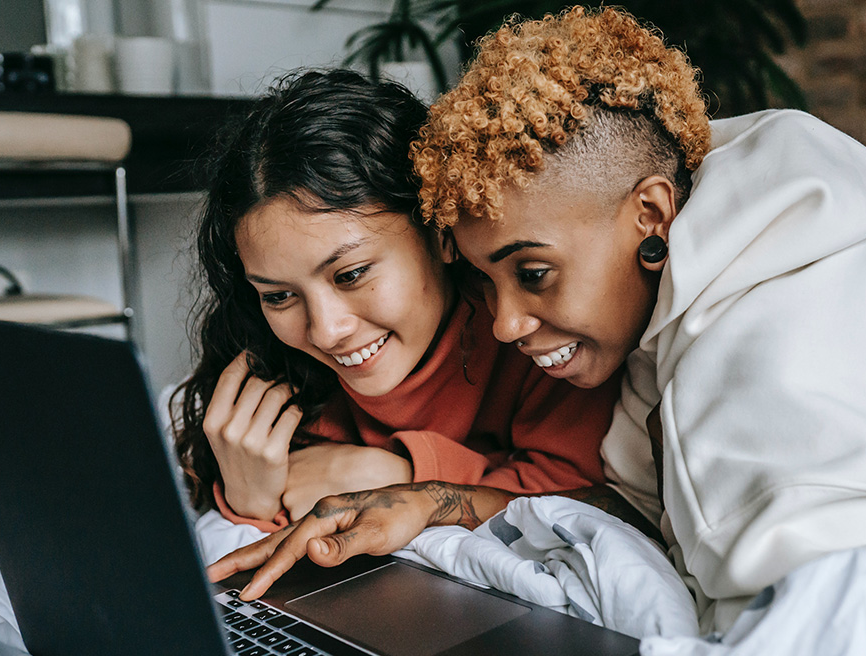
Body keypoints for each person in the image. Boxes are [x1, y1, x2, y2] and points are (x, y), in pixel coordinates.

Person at [209, 7, 866, 634]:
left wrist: (418, 477)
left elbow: (813, 611)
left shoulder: (771, 353)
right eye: (486, 281)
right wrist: (425, 496)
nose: (503, 324)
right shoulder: (628, 298)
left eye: (533, 272)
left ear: (656, 216)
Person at [172, 68, 621, 534]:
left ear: (440, 232)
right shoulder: (281, 370)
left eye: (351, 274)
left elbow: (586, 497)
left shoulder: (532, 328)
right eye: (279, 295)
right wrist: (252, 500)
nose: (326, 331)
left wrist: (401, 475)